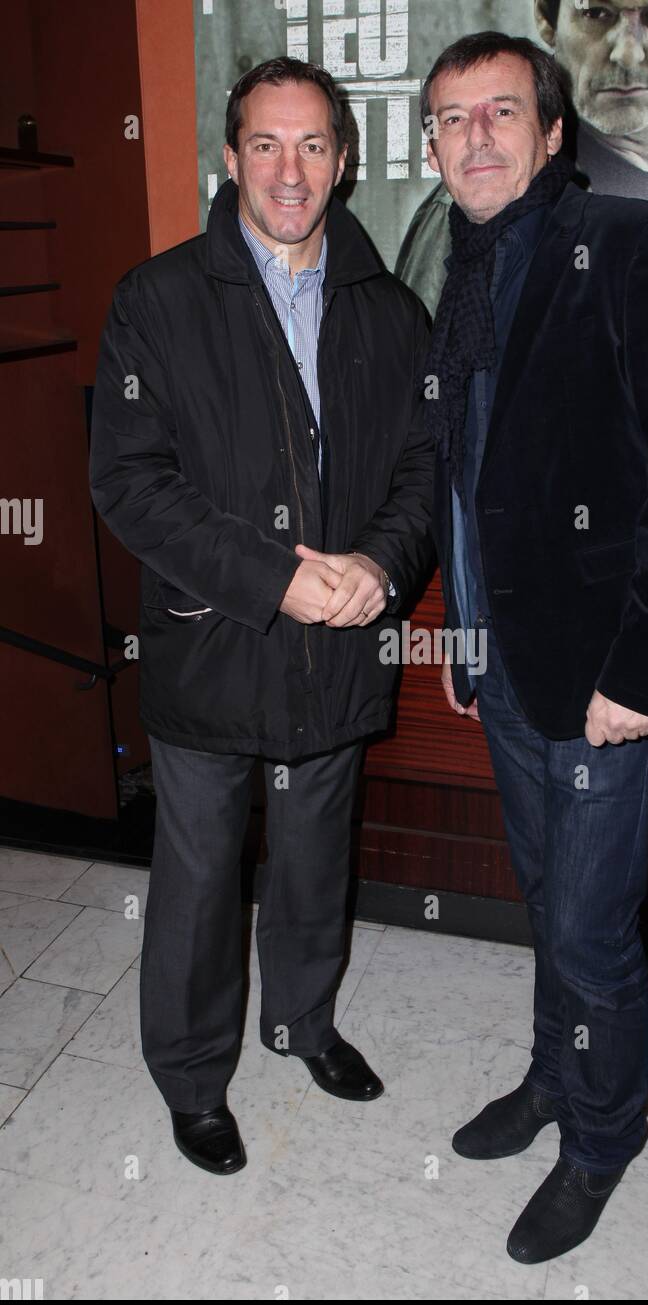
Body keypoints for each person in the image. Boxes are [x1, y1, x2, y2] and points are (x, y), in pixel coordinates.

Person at [420, 31, 648, 1263]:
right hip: (508, 663)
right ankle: (557, 1077)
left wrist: (641, 674)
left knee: (595, 927)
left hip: (608, 676)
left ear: (553, 135)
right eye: (450, 119)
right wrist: (462, 626)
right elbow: (470, 479)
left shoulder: (639, 247)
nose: (475, 137)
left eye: (500, 112)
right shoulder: (465, 274)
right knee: (553, 901)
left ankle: (602, 1138)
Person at [89, 57, 434, 1176]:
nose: (290, 170)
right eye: (266, 145)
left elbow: (425, 469)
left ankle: (302, 1024)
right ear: (228, 157)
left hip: (338, 648)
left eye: (313, 145)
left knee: (312, 856)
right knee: (196, 875)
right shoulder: (157, 298)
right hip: (212, 639)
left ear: (342, 160)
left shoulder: (390, 306)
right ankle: (192, 1080)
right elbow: (132, 483)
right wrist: (271, 575)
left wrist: (380, 567)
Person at [398, 0, 648, 341]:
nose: (627, 52)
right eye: (596, 13)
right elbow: (417, 380)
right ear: (547, 20)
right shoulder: (469, 203)